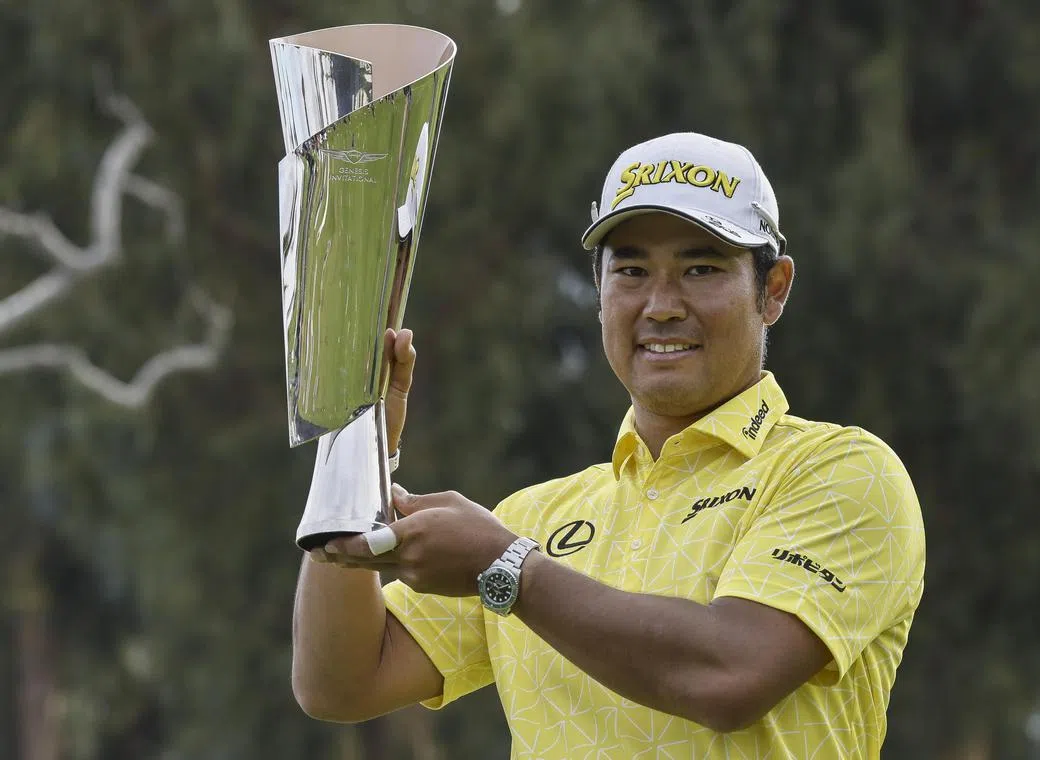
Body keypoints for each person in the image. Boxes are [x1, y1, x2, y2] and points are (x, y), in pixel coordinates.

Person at [293, 132, 926, 758]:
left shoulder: (840, 473)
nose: (662, 305)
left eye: (701, 268)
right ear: (599, 292)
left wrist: (508, 569)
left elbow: (733, 674)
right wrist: (353, 442)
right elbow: (342, 682)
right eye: (630, 270)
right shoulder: (536, 518)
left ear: (774, 288)